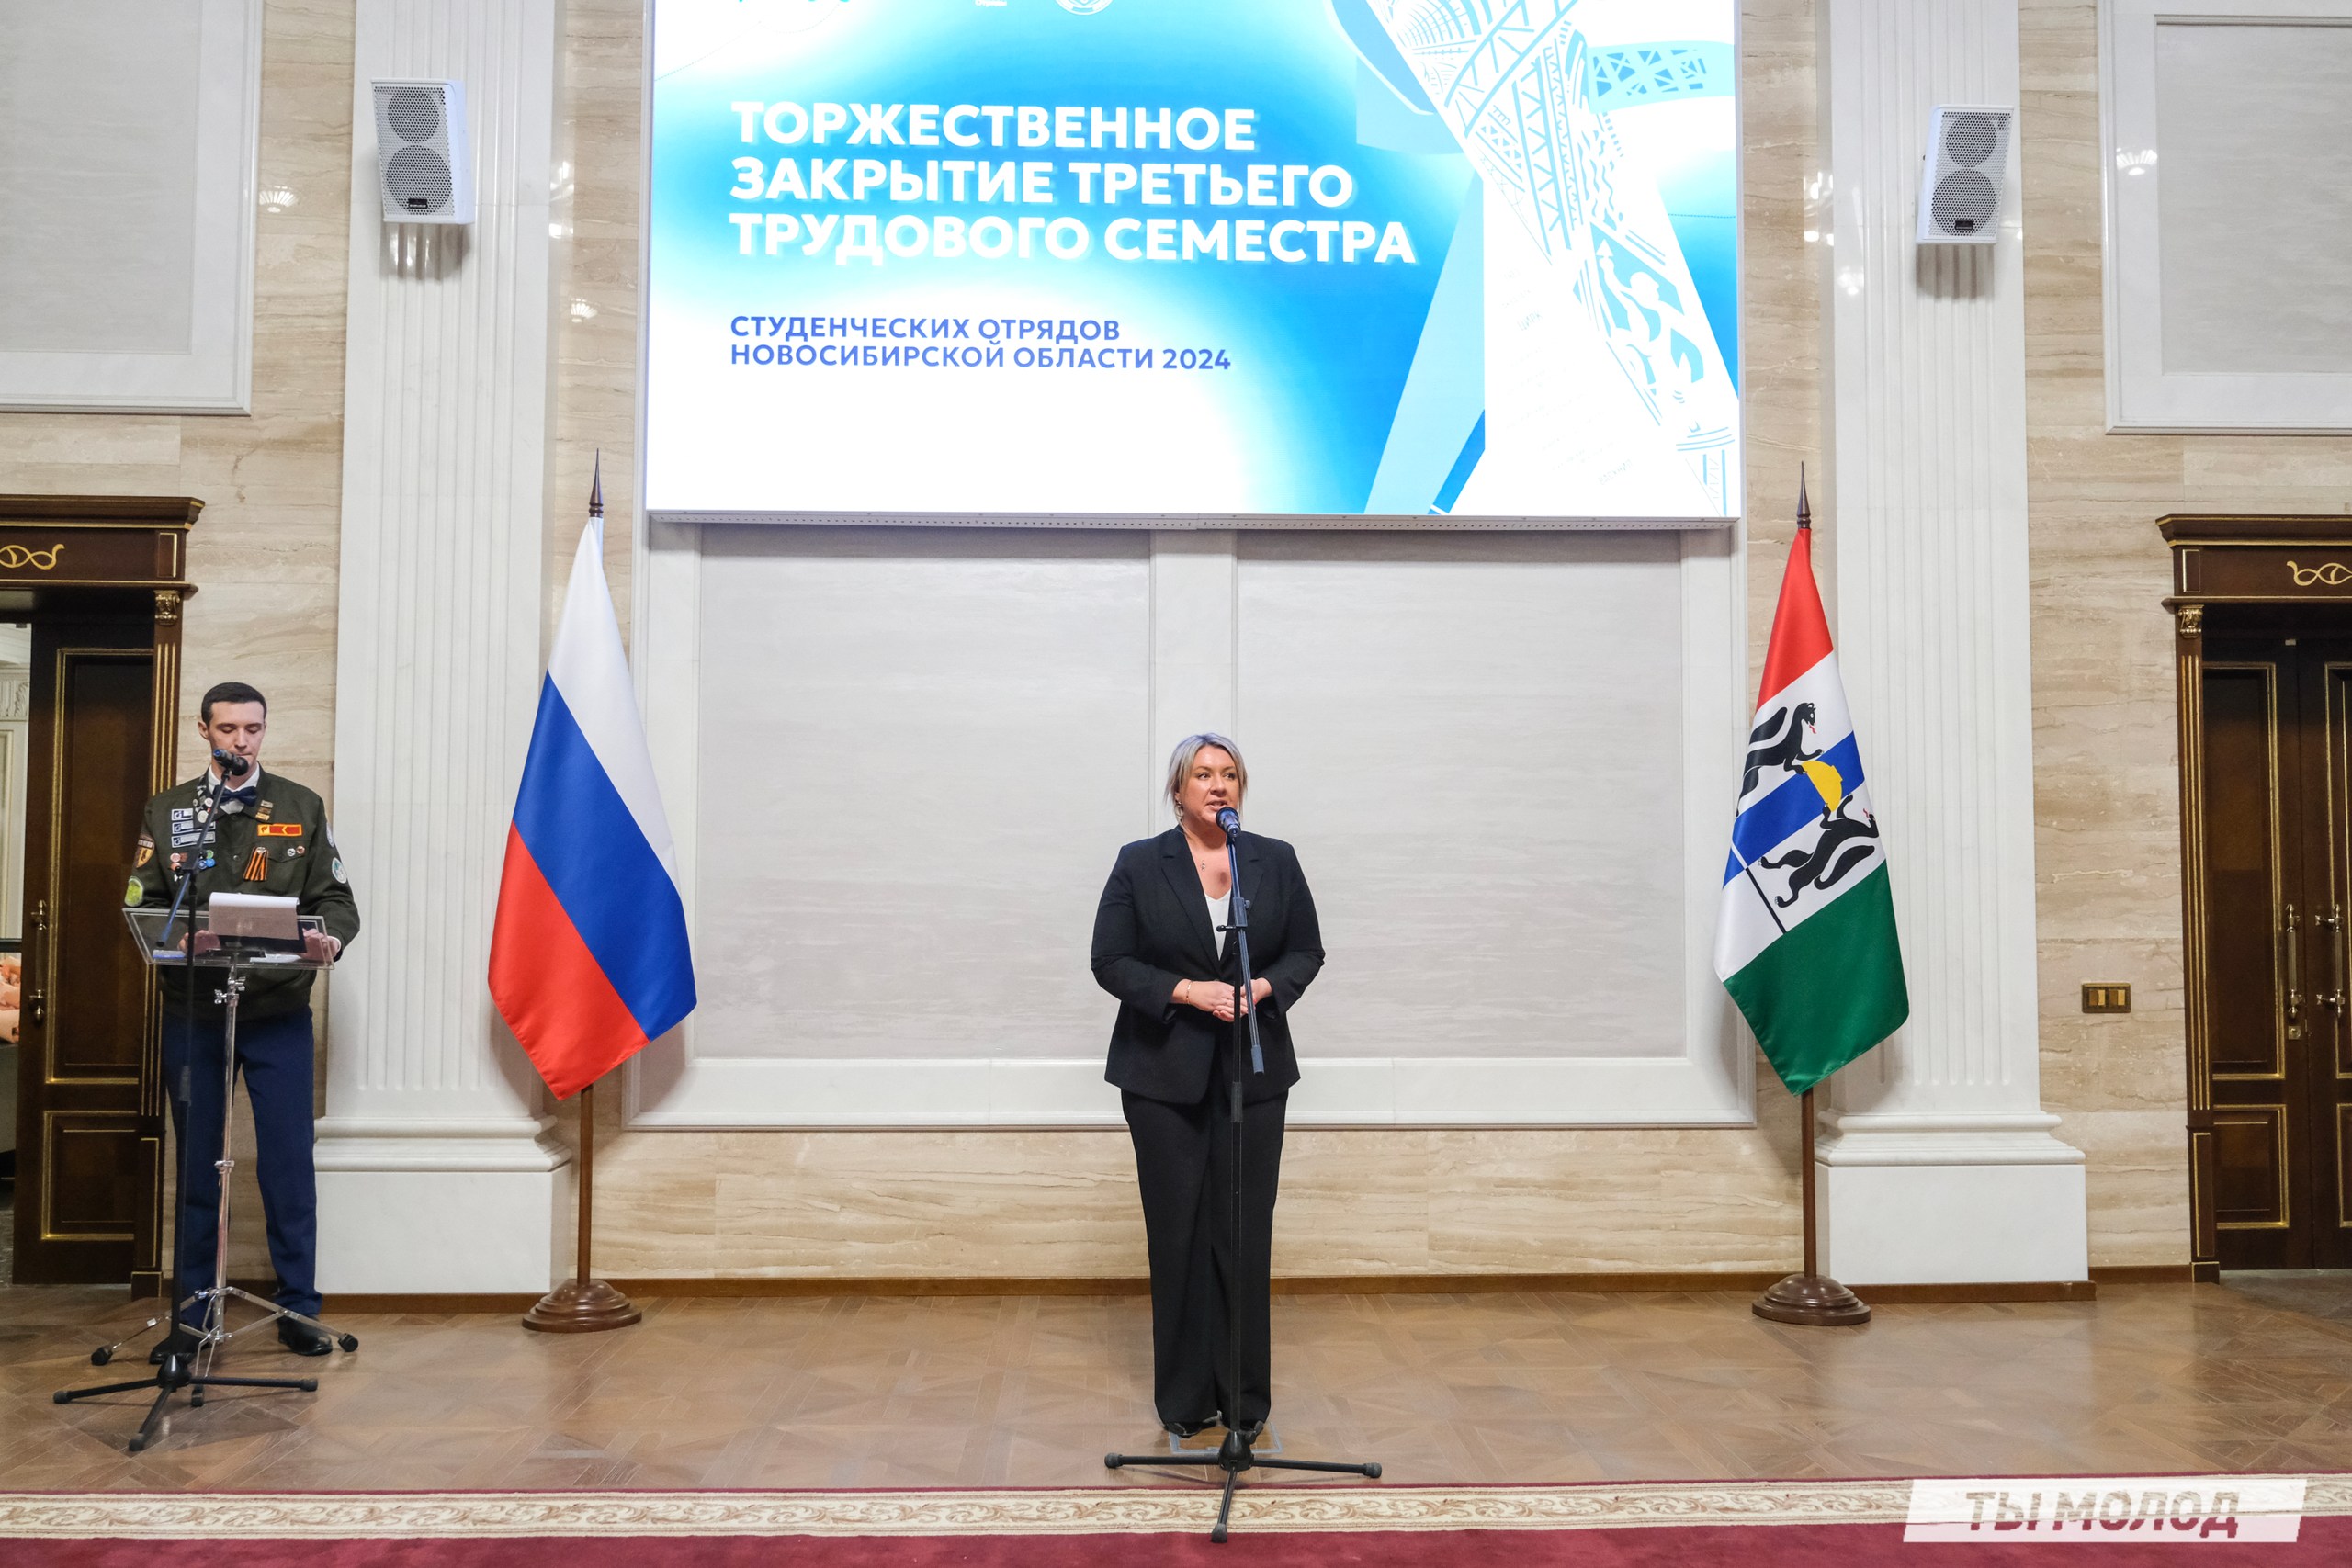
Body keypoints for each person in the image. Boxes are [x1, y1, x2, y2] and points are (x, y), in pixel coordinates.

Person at [1090, 733, 1323, 1439]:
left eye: (1229, 774)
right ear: (1177, 789)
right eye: (1202, 774)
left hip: (1252, 1071)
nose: (1218, 785)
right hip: (1162, 1075)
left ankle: (1244, 1400)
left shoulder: (1274, 859)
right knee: (1179, 1231)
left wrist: (1263, 986)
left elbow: (1306, 950)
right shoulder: (1140, 862)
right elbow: (1110, 960)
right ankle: (1186, 1400)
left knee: (1244, 1231)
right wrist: (1187, 990)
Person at [126, 682, 359, 1359]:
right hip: (195, 1013)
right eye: (228, 729)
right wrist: (179, 938)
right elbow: (143, 903)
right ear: (204, 731)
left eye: (253, 729)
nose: (241, 741)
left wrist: (329, 938)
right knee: (200, 1163)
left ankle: (298, 1308)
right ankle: (193, 1314)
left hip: (277, 1012)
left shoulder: (300, 805)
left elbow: (336, 899)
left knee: (287, 1161)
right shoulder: (170, 811)